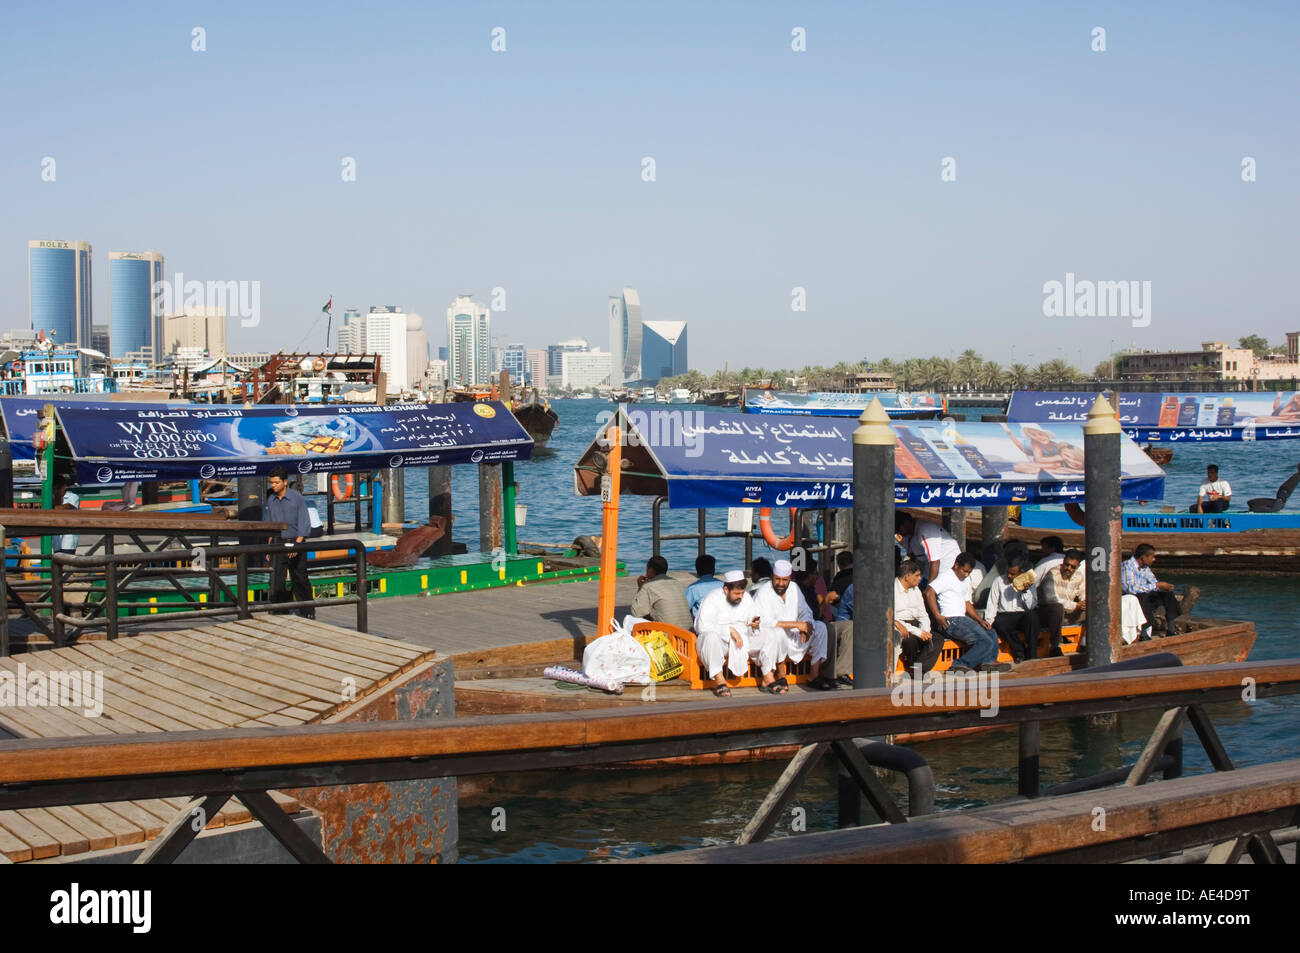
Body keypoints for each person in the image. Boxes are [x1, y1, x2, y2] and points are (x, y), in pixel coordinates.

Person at [694, 571, 782, 696]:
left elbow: (752, 617)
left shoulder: (745, 597)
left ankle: (768, 678)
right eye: (736, 593)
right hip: (721, 643)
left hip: (743, 639)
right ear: (726, 589)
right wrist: (729, 630)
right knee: (710, 637)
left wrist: (754, 623)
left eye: (741, 593)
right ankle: (719, 681)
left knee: (771, 634)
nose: (740, 596)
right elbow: (703, 626)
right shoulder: (712, 598)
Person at [753, 558, 831, 689]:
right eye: (777, 579)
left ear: (790, 578)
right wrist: (795, 624)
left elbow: (805, 611)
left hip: (795, 635)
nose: (780, 583)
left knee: (821, 627)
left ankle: (814, 676)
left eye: (784, 580)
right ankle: (780, 675)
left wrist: (806, 625)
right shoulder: (764, 592)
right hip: (772, 639)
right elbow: (764, 622)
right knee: (778, 632)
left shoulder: (794, 588)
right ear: (772, 576)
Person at [924, 554, 1007, 673]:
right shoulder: (946, 576)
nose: (966, 574)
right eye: (964, 571)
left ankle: (988, 662)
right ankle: (959, 664)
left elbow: (967, 603)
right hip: (951, 621)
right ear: (956, 565)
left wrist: (980, 620)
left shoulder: (964, 580)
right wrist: (937, 615)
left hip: (963, 619)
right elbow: (929, 592)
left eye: (969, 572)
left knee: (991, 632)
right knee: (984, 641)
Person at [263, 466, 314, 618]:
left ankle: (308, 611)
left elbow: (304, 522)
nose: (273, 485)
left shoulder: (296, 497)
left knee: (300, 578)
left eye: (276, 482)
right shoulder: (271, 499)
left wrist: (297, 544)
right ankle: (279, 611)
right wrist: (268, 547)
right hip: (278, 542)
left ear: (285, 482)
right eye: (271, 482)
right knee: (276, 579)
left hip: (295, 540)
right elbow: (270, 525)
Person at [983, 553, 1040, 663]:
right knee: (1000, 623)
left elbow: (1031, 605)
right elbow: (992, 603)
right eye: (1008, 573)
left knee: (1032, 618)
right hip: (1006, 615)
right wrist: (988, 621)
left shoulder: (1029, 582)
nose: (1009, 576)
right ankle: (1019, 652)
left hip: (1022, 614)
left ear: (1021, 573)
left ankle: (1032, 654)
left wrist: (1025, 591)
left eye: (1013, 574)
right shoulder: (999, 581)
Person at [1121, 544, 1182, 637]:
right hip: (1130, 598)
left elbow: (1153, 582)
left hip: (1144, 596)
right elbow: (1130, 589)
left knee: (1167, 594)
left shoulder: (1145, 568)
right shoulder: (1127, 566)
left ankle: (1171, 629)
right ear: (1143, 557)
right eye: (1152, 557)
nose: (1154, 559)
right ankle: (1144, 634)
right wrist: (1156, 585)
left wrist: (1163, 587)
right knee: (1142, 596)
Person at [894, 559, 941, 675]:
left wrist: (925, 630)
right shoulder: (891, 590)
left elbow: (923, 614)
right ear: (907, 577)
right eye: (917, 575)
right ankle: (912, 666)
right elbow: (892, 617)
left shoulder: (916, 590)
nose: (920, 578)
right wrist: (918, 632)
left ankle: (918, 668)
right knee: (910, 640)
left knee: (937, 638)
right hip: (899, 625)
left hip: (916, 624)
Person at [1038, 548, 1086, 657]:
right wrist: (1076, 605)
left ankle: (1085, 642)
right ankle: (1055, 647)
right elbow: (1051, 599)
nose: (1068, 568)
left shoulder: (1079, 576)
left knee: (1094, 607)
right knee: (1057, 607)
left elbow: (1083, 592)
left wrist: (1084, 602)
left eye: (1072, 567)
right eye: (1067, 565)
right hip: (1048, 614)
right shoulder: (1052, 574)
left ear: (1077, 567)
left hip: (1068, 614)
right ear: (1063, 561)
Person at [630, 555, 694, 629]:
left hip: (670, 635)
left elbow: (636, 613)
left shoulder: (648, 586)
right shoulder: (677, 583)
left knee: (631, 620)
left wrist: (641, 588)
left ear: (650, 570)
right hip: (689, 633)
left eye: (647, 568)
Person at [895, 512, 961, 581]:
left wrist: (930, 587)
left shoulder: (926, 530)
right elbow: (912, 556)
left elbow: (935, 561)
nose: (898, 533)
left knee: (928, 589)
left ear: (906, 523)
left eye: (898, 529)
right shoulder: (908, 536)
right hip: (928, 570)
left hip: (946, 570)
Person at [684, 554, 723, 620]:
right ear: (713, 570)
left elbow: (685, 608)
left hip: (702, 624)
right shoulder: (723, 585)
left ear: (697, 571)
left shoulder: (692, 588)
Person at [51, 476, 80, 556]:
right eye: (54, 489)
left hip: (69, 536)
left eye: (58, 488)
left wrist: (52, 508)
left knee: (67, 560)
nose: (56, 491)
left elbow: (69, 507)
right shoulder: (52, 498)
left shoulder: (73, 497)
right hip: (57, 537)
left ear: (64, 487)